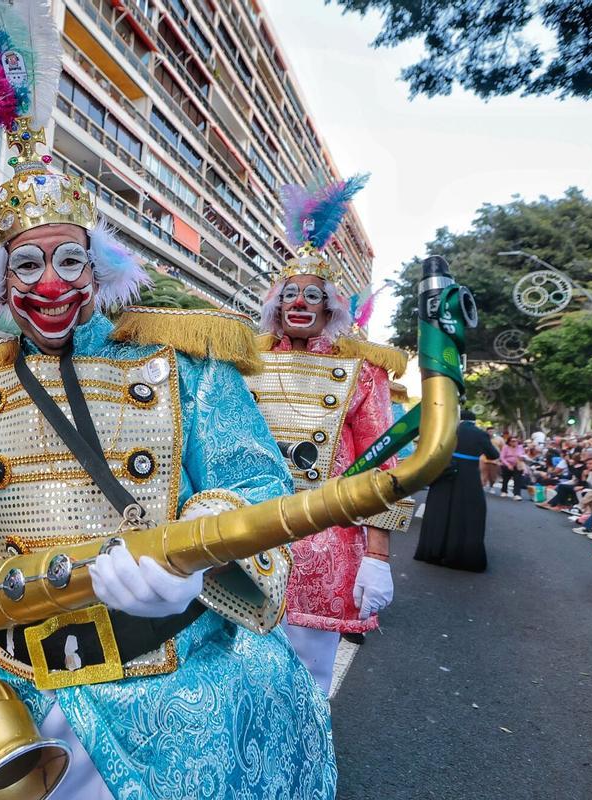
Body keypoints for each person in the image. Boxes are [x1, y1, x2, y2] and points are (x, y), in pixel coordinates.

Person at [0, 8, 336, 793]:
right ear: (0, 282)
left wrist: (192, 554)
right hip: (22, 701)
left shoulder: (183, 362)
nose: (50, 284)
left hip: (187, 690)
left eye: (67, 260)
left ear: (98, 267)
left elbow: (259, 484)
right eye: (26, 266)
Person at [248, 173, 404, 694]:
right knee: (239, 678)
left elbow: (381, 468)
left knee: (310, 680)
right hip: (246, 537)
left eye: (311, 294)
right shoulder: (241, 362)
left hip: (327, 543)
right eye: (289, 293)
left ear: (329, 304)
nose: (299, 302)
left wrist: (377, 557)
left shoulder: (363, 371)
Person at [414, 410, 499, 571]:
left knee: (439, 512)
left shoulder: (448, 429)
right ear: (474, 422)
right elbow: (493, 455)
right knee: (467, 515)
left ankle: (434, 551)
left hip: (444, 474)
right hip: (469, 478)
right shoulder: (480, 434)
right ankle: (460, 555)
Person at [499, 435, 527, 500]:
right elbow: (502, 457)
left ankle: (517, 494)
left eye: (516, 441)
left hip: (517, 465)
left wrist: (522, 457)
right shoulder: (505, 447)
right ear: (509, 442)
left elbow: (523, 455)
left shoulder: (520, 447)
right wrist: (508, 465)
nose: (515, 442)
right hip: (507, 465)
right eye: (513, 441)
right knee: (506, 479)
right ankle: (504, 491)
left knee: (517, 479)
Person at [480, 425, 502, 493]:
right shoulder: (483, 438)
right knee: (483, 474)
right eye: (489, 431)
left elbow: (503, 448)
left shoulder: (499, 439)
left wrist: (500, 458)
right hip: (484, 458)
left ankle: (491, 486)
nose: (491, 432)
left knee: (493, 475)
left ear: (494, 431)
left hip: (495, 459)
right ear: (487, 432)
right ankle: (482, 486)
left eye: (492, 431)